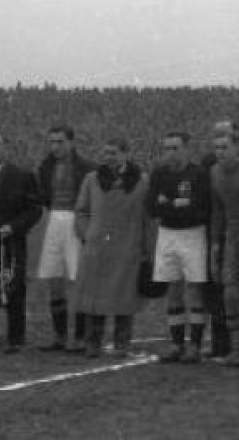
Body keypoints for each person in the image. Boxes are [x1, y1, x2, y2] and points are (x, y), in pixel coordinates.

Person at [73, 139, 151, 358]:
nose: (109, 157)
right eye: (106, 153)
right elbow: (81, 211)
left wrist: (147, 247)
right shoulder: (92, 179)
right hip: (97, 248)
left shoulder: (142, 181)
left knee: (125, 297)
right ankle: (93, 342)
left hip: (128, 247)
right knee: (94, 298)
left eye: (114, 153)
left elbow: (148, 217)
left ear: (125, 154)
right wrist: (87, 234)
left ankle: (122, 343)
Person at [201, 119, 239, 360]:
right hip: (230, 236)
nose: (220, 152)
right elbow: (217, 211)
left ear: (236, 145)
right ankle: (236, 347)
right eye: (216, 148)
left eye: (224, 146)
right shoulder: (214, 172)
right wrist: (216, 243)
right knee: (229, 293)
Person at [149, 132, 209, 364]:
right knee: (173, 290)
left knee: (194, 290)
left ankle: (194, 345)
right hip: (167, 235)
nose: (170, 153)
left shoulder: (198, 174)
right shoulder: (159, 174)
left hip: (193, 234)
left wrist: (169, 204)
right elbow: (152, 208)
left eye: (175, 148)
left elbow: (200, 208)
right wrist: (179, 205)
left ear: (186, 149)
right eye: (167, 148)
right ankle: (176, 344)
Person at [36, 125, 96, 353]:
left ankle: (81, 336)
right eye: (52, 142)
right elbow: (43, 196)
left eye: (60, 142)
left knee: (77, 278)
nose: (55, 147)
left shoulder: (87, 168)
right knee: (54, 278)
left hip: (76, 220)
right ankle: (59, 336)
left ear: (71, 142)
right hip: (53, 220)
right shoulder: (45, 166)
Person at [0, 135, 42, 353]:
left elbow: (35, 209)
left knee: (13, 286)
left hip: (12, 241)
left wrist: (14, 227)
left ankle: (16, 337)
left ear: (6, 148)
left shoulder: (23, 177)